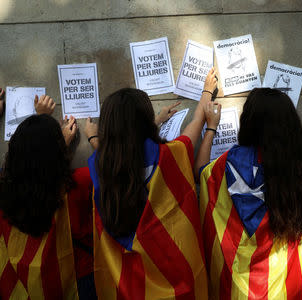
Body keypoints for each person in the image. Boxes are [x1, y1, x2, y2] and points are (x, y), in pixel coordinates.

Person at [84, 68, 220, 299]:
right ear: (145, 121)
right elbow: (197, 120)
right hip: (178, 283)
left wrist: (93, 139)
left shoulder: (98, 165)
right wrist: (207, 91)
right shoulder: (171, 156)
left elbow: (121, 159)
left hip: (130, 287)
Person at [198, 88, 302, 299]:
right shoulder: (300, 167)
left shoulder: (226, 164)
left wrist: (211, 126)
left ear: (248, 121)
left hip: (236, 289)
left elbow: (201, 172)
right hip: (287, 287)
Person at [0, 95, 95, 299]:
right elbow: (115, 168)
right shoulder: (79, 183)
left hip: (24, 284)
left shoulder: (3, 190)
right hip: (79, 283)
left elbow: (33, 159)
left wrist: (41, 122)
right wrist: (92, 138)